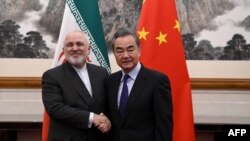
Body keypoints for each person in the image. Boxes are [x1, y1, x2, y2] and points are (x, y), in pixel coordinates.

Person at [105, 28, 173, 141]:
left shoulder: (157, 81)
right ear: (114, 54)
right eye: (120, 51)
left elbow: (164, 128)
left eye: (130, 49)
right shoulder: (110, 81)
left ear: (139, 50)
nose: (125, 55)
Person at [42, 31, 111, 141]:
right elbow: (55, 109)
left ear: (88, 49)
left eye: (79, 44)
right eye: (69, 45)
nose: (74, 48)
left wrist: (107, 120)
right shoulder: (52, 76)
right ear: (64, 51)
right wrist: (92, 118)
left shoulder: (102, 73)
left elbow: (108, 104)